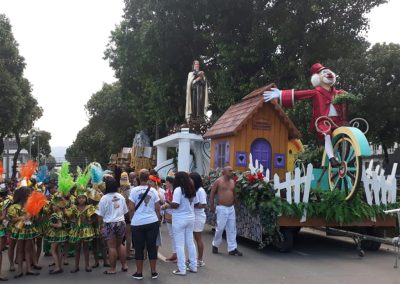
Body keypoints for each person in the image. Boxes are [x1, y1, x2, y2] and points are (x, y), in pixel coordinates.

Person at [263, 63, 347, 167]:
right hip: (323, 121)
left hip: (338, 121)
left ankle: (348, 157)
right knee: (326, 134)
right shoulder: (316, 92)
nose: (328, 73)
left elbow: (348, 100)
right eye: (324, 72)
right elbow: (300, 94)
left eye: (329, 71)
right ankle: (332, 158)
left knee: (347, 132)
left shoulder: (339, 93)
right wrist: (280, 94)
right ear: (317, 78)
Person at [128, 169, 160, 280]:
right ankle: (154, 271)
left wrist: (132, 218)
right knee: (151, 247)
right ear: (148, 178)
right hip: (152, 221)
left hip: (138, 223)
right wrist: (158, 220)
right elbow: (157, 208)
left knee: (139, 248)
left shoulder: (134, 191)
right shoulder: (154, 191)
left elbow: (131, 208)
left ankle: (139, 272)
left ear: (138, 178)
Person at [96, 176, 128, 274]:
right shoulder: (121, 196)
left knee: (112, 247)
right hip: (121, 222)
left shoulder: (104, 198)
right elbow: (125, 211)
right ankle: (124, 265)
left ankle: (113, 269)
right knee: (120, 245)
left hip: (109, 224)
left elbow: (100, 215)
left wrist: (100, 226)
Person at [7, 187, 40, 278]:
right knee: (20, 250)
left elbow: (35, 218)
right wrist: (21, 218)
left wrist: (35, 213)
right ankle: (19, 270)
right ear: (23, 195)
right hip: (20, 230)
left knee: (28, 250)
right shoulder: (15, 206)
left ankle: (29, 269)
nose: (30, 195)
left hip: (29, 229)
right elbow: (11, 219)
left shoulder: (31, 204)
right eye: (28, 193)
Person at [210, 165, 243, 256]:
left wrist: (237, 205)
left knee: (232, 229)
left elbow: (234, 194)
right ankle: (215, 245)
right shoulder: (218, 181)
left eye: (232, 171)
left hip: (231, 208)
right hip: (221, 208)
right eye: (230, 171)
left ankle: (232, 248)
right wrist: (212, 205)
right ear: (224, 172)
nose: (232, 172)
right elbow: (212, 193)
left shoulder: (232, 182)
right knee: (220, 228)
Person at [171, 172, 198, 276]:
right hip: (190, 218)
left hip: (179, 219)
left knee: (179, 245)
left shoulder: (178, 190)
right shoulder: (191, 189)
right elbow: (195, 203)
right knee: (190, 243)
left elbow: (176, 205)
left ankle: (182, 269)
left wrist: (168, 204)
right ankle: (193, 266)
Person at [69, 190, 95, 273]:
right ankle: (76, 266)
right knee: (77, 248)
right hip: (77, 230)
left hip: (86, 230)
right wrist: (72, 220)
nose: (81, 200)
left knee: (86, 248)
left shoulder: (89, 207)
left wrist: (90, 222)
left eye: (83, 198)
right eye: (79, 198)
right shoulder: (73, 207)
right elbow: (69, 215)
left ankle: (87, 265)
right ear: (76, 199)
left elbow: (95, 216)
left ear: (86, 199)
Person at [45, 195, 67, 274]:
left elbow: (59, 225)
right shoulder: (62, 212)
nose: (52, 207)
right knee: (58, 251)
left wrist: (51, 224)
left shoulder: (55, 214)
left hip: (56, 234)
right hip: (61, 234)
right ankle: (59, 266)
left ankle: (57, 267)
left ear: (58, 206)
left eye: (54, 205)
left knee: (53, 250)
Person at [189, 172, 207, 267]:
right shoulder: (193, 189)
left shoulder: (200, 190)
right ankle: (192, 258)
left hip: (198, 217)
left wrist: (194, 205)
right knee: (191, 239)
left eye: (190, 179)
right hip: (193, 216)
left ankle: (200, 259)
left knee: (198, 238)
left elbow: (204, 204)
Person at [161, 174, 176, 262]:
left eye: (166, 182)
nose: (165, 183)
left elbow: (174, 205)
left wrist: (166, 206)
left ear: (170, 183)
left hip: (174, 215)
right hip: (168, 214)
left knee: (175, 235)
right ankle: (174, 253)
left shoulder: (174, 191)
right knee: (172, 235)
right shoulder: (167, 190)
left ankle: (177, 254)